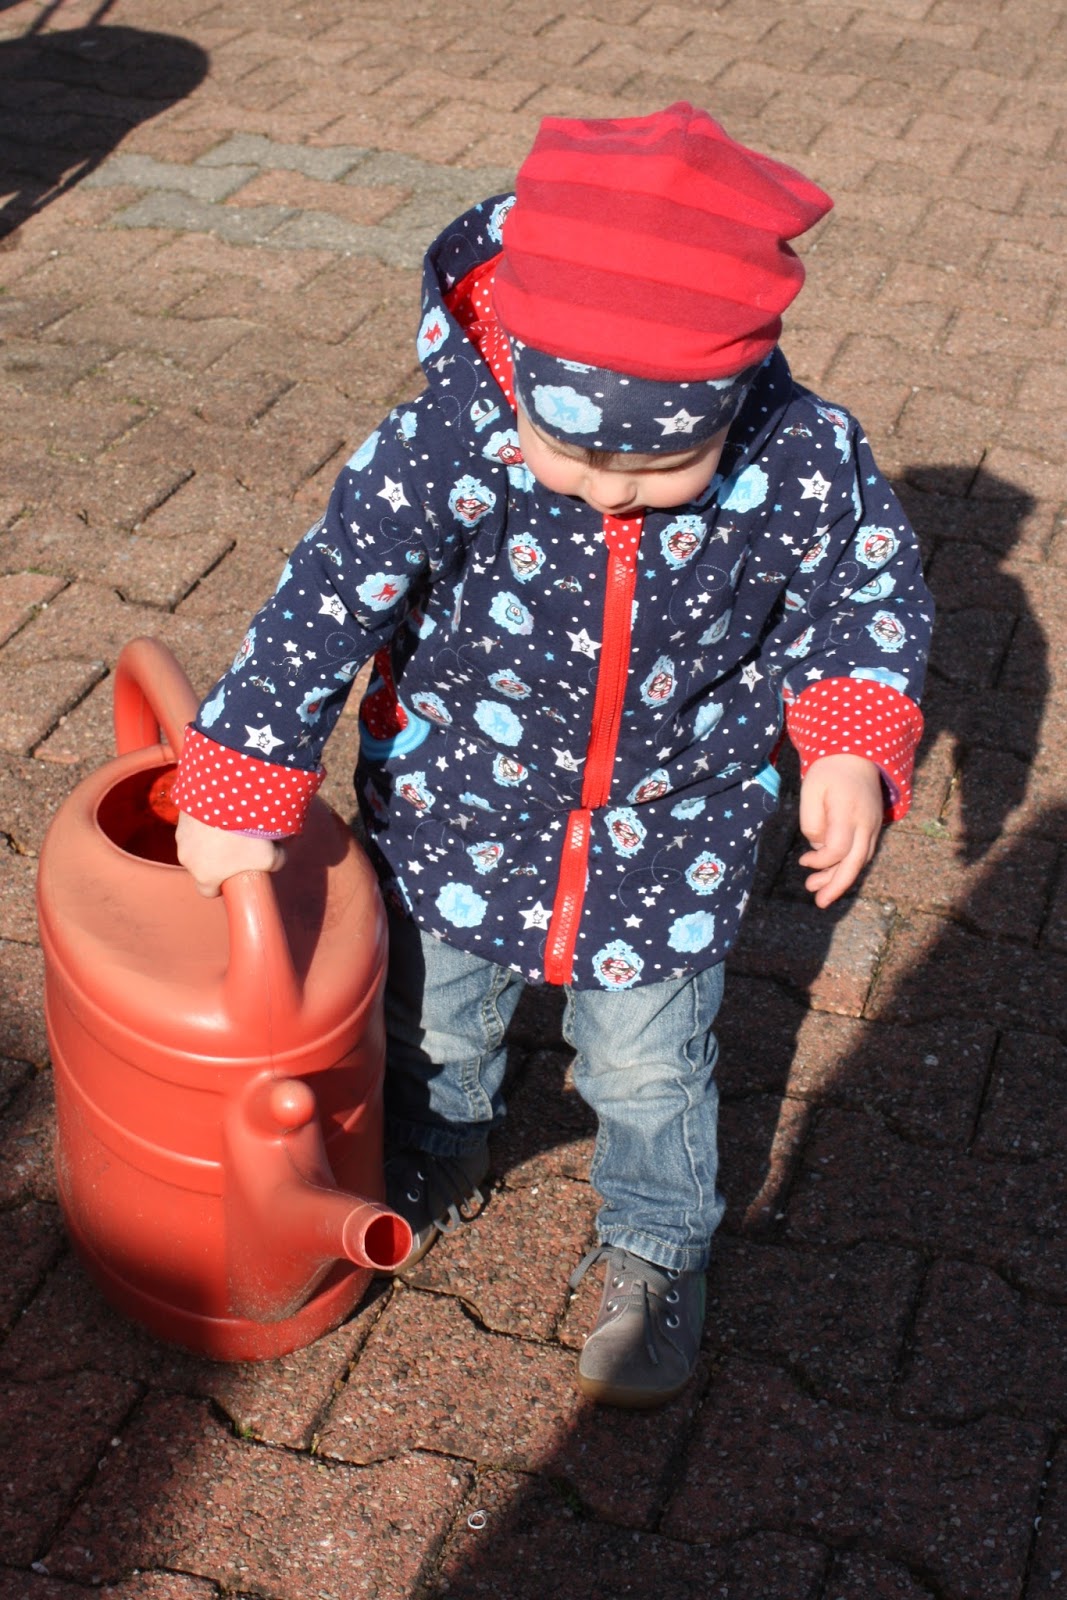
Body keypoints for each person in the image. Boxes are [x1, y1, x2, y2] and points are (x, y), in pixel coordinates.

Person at [172, 103, 933, 1409]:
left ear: (737, 389)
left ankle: (658, 1244)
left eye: (664, 459)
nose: (609, 487)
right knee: (430, 1013)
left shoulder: (806, 461)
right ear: (521, 366)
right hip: (455, 803)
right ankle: (437, 1142)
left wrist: (849, 744)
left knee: (649, 1064)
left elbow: (866, 601)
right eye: (571, 447)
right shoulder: (448, 441)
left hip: (674, 826)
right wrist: (242, 777)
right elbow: (322, 606)